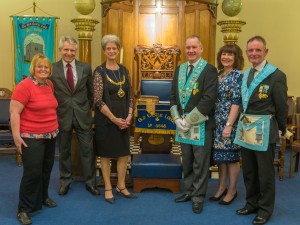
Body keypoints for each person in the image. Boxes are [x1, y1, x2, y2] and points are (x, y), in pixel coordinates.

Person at [234, 36, 288, 225]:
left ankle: (265, 209)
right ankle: (251, 203)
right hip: (246, 128)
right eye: (250, 50)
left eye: (258, 50)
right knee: (249, 170)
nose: (254, 54)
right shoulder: (246, 74)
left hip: (265, 130)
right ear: (247, 53)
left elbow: (281, 106)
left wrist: (282, 128)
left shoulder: (276, 75)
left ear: (265, 52)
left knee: (265, 173)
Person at [170, 35, 218, 214]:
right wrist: (176, 119)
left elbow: (208, 99)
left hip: (200, 125)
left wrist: (188, 120)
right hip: (182, 125)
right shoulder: (180, 69)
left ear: (201, 48)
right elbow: (173, 96)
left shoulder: (209, 70)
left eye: (194, 47)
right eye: (188, 47)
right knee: (187, 161)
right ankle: (189, 191)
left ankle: (198, 197)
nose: (191, 50)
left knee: (200, 163)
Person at [10, 53, 58, 225]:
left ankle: (43, 197)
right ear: (33, 68)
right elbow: (14, 112)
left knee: (46, 169)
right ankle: (23, 209)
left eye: (46, 67)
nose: (43, 69)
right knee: (32, 172)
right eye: (39, 66)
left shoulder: (49, 84)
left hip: (50, 135)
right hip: (31, 137)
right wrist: (16, 137)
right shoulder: (24, 86)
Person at [51, 36, 100, 196]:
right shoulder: (53, 69)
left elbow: (91, 92)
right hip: (62, 116)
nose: (69, 53)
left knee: (88, 150)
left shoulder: (85, 67)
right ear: (60, 50)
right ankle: (65, 181)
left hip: (83, 115)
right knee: (64, 151)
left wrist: (88, 108)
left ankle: (90, 182)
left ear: (76, 51)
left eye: (72, 50)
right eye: (66, 49)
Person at [93, 34, 136, 204]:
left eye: (114, 48)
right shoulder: (99, 71)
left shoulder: (124, 70)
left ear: (118, 50)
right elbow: (97, 100)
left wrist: (129, 116)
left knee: (123, 154)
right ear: (104, 51)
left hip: (123, 122)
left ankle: (121, 185)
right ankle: (109, 188)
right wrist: (114, 119)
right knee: (105, 155)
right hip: (105, 121)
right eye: (108, 48)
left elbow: (130, 95)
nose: (111, 51)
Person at [209, 44, 244, 205]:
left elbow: (237, 102)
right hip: (217, 121)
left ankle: (232, 190)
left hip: (230, 121)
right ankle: (221, 187)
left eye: (230, 55)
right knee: (221, 157)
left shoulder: (238, 76)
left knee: (231, 157)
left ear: (236, 58)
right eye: (223, 54)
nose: (226, 57)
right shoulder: (219, 74)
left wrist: (229, 124)